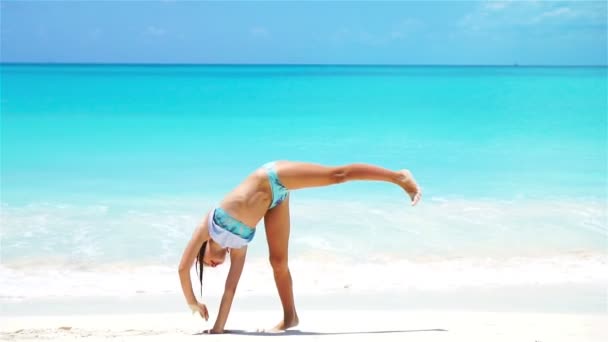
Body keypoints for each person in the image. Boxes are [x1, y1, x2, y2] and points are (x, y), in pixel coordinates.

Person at [178, 161, 422, 334]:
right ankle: (290, 316)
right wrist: (218, 328)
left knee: (337, 175)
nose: (211, 265)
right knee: (278, 263)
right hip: (277, 199)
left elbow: (182, 269)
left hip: (273, 176)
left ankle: (398, 176)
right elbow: (230, 289)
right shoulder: (239, 245)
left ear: (203, 248)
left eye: (204, 262)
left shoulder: (209, 225)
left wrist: (192, 302)